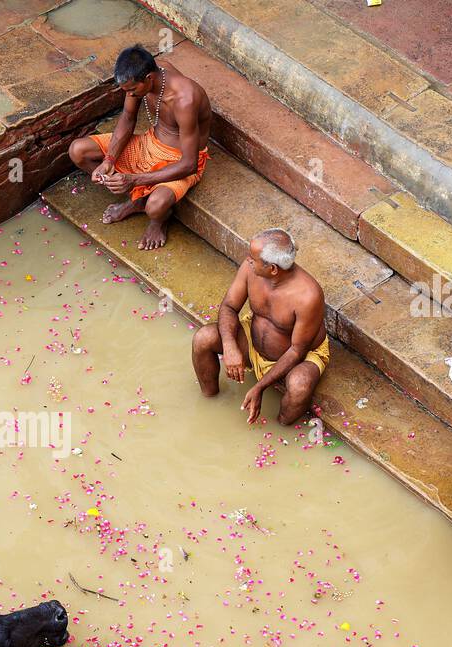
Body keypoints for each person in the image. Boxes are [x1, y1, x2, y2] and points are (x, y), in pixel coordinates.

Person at [66, 44, 211, 250]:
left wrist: (132, 180)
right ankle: (136, 199)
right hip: (148, 143)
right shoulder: (145, 73)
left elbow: (190, 164)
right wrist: (109, 161)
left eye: (132, 90)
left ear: (149, 79)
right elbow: (128, 117)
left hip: (179, 160)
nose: (130, 95)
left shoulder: (184, 99)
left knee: (156, 207)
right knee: (78, 151)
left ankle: (157, 219)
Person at [190, 229, 328, 425]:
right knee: (203, 338)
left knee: (300, 386)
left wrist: (259, 387)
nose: (248, 260)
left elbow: (297, 351)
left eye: (253, 258)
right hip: (252, 341)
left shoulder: (308, 296)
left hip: (297, 357)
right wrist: (230, 347)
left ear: (273, 269)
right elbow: (229, 306)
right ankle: (209, 401)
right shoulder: (250, 269)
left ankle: (280, 426)